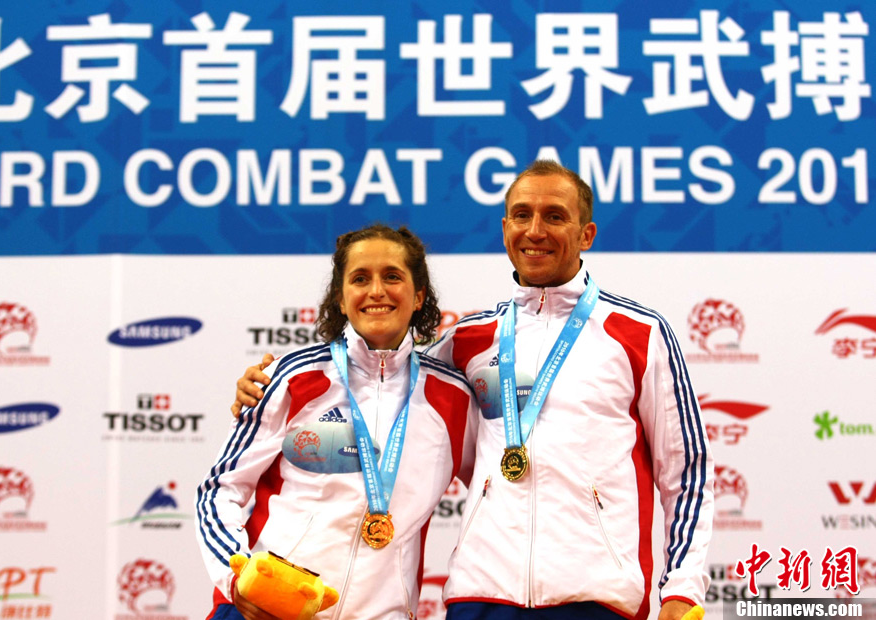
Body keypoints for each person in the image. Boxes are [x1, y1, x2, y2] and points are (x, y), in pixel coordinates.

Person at [232, 161, 714, 620]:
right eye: (522, 215)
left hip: (595, 595)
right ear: (505, 229)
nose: (535, 231)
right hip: (480, 595)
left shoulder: (639, 334)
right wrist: (263, 388)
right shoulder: (467, 340)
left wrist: (682, 589)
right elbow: (385, 377)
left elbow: (686, 471)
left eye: (554, 216)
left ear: (586, 234)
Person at [199, 224, 479, 620]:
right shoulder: (291, 378)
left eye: (392, 276)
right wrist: (236, 575)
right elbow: (219, 489)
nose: (376, 291)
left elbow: (499, 492)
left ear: (418, 296)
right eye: (360, 279)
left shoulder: (454, 397)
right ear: (341, 299)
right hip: (266, 608)